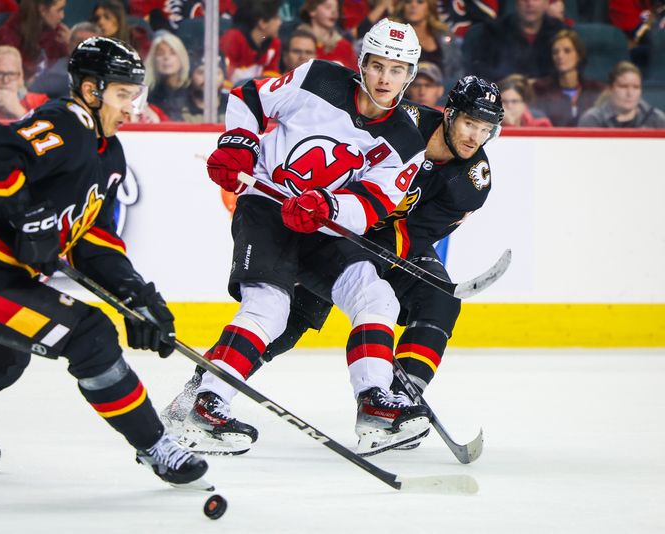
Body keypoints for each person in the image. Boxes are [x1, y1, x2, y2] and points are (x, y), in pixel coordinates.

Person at [0, 36, 210, 489]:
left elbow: (94, 240)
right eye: (123, 95)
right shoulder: (65, 123)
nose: (131, 108)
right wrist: (29, 215)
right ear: (90, 89)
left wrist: (136, 297)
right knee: (89, 335)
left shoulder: (109, 154)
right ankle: (155, 447)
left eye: (135, 96)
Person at [161, 75, 505, 454]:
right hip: (328, 223)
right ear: (450, 114)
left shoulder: (472, 181)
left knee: (440, 300)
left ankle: (396, 402)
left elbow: (414, 235)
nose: (475, 137)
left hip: (390, 242)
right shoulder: (405, 123)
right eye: (470, 123)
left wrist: (364, 239)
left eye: (485, 129)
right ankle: (201, 389)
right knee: (286, 320)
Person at [171, 18, 429, 457]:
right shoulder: (317, 77)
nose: (385, 78)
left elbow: (371, 206)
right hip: (267, 208)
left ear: (410, 75)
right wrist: (238, 143)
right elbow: (250, 96)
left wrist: (329, 208)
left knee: (377, 299)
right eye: (378, 65)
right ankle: (204, 403)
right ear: (362, 63)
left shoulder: (406, 140)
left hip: (323, 226)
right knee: (269, 308)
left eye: (397, 69)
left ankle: (374, 407)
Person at [465, 0, 566, 82]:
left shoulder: (561, 33)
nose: (530, 3)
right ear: (516, 2)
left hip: (550, 100)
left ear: (547, 3)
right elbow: (480, 74)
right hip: (504, 99)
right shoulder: (493, 32)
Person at [531, 29, 604, 127]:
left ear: (579, 55)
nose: (560, 56)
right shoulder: (540, 89)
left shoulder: (596, 89)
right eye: (555, 52)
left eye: (567, 51)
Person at [0, 0, 69, 83]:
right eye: (59, 10)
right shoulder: (6, 37)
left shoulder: (60, 35)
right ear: (42, 10)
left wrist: (71, 47)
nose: (62, 16)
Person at [578, 61, 665, 128]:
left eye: (636, 87)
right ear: (610, 89)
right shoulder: (592, 120)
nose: (630, 93)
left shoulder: (656, 120)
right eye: (623, 86)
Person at [393, 0, 462, 82]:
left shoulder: (444, 35)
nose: (413, 6)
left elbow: (457, 70)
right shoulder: (394, 37)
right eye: (408, 2)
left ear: (429, 8)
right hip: (405, 91)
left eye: (420, 2)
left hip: (443, 91)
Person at [29, 22, 101, 99]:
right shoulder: (52, 72)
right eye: (79, 41)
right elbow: (31, 94)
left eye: (89, 43)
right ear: (69, 45)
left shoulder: (109, 74)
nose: (83, 47)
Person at [220, 0, 282, 86]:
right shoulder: (233, 38)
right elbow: (222, 77)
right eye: (276, 18)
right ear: (262, 23)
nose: (280, 23)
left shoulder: (274, 43)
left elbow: (272, 78)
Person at [296, 0, 356, 70]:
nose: (334, 12)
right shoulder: (297, 42)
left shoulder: (344, 46)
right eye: (328, 7)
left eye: (337, 9)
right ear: (312, 10)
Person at [143, 31, 190, 120]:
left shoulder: (194, 90)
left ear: (181, 57)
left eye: (172, 53)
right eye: (160, 53)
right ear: (153, 60)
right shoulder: (147, 95)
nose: (166, 57)